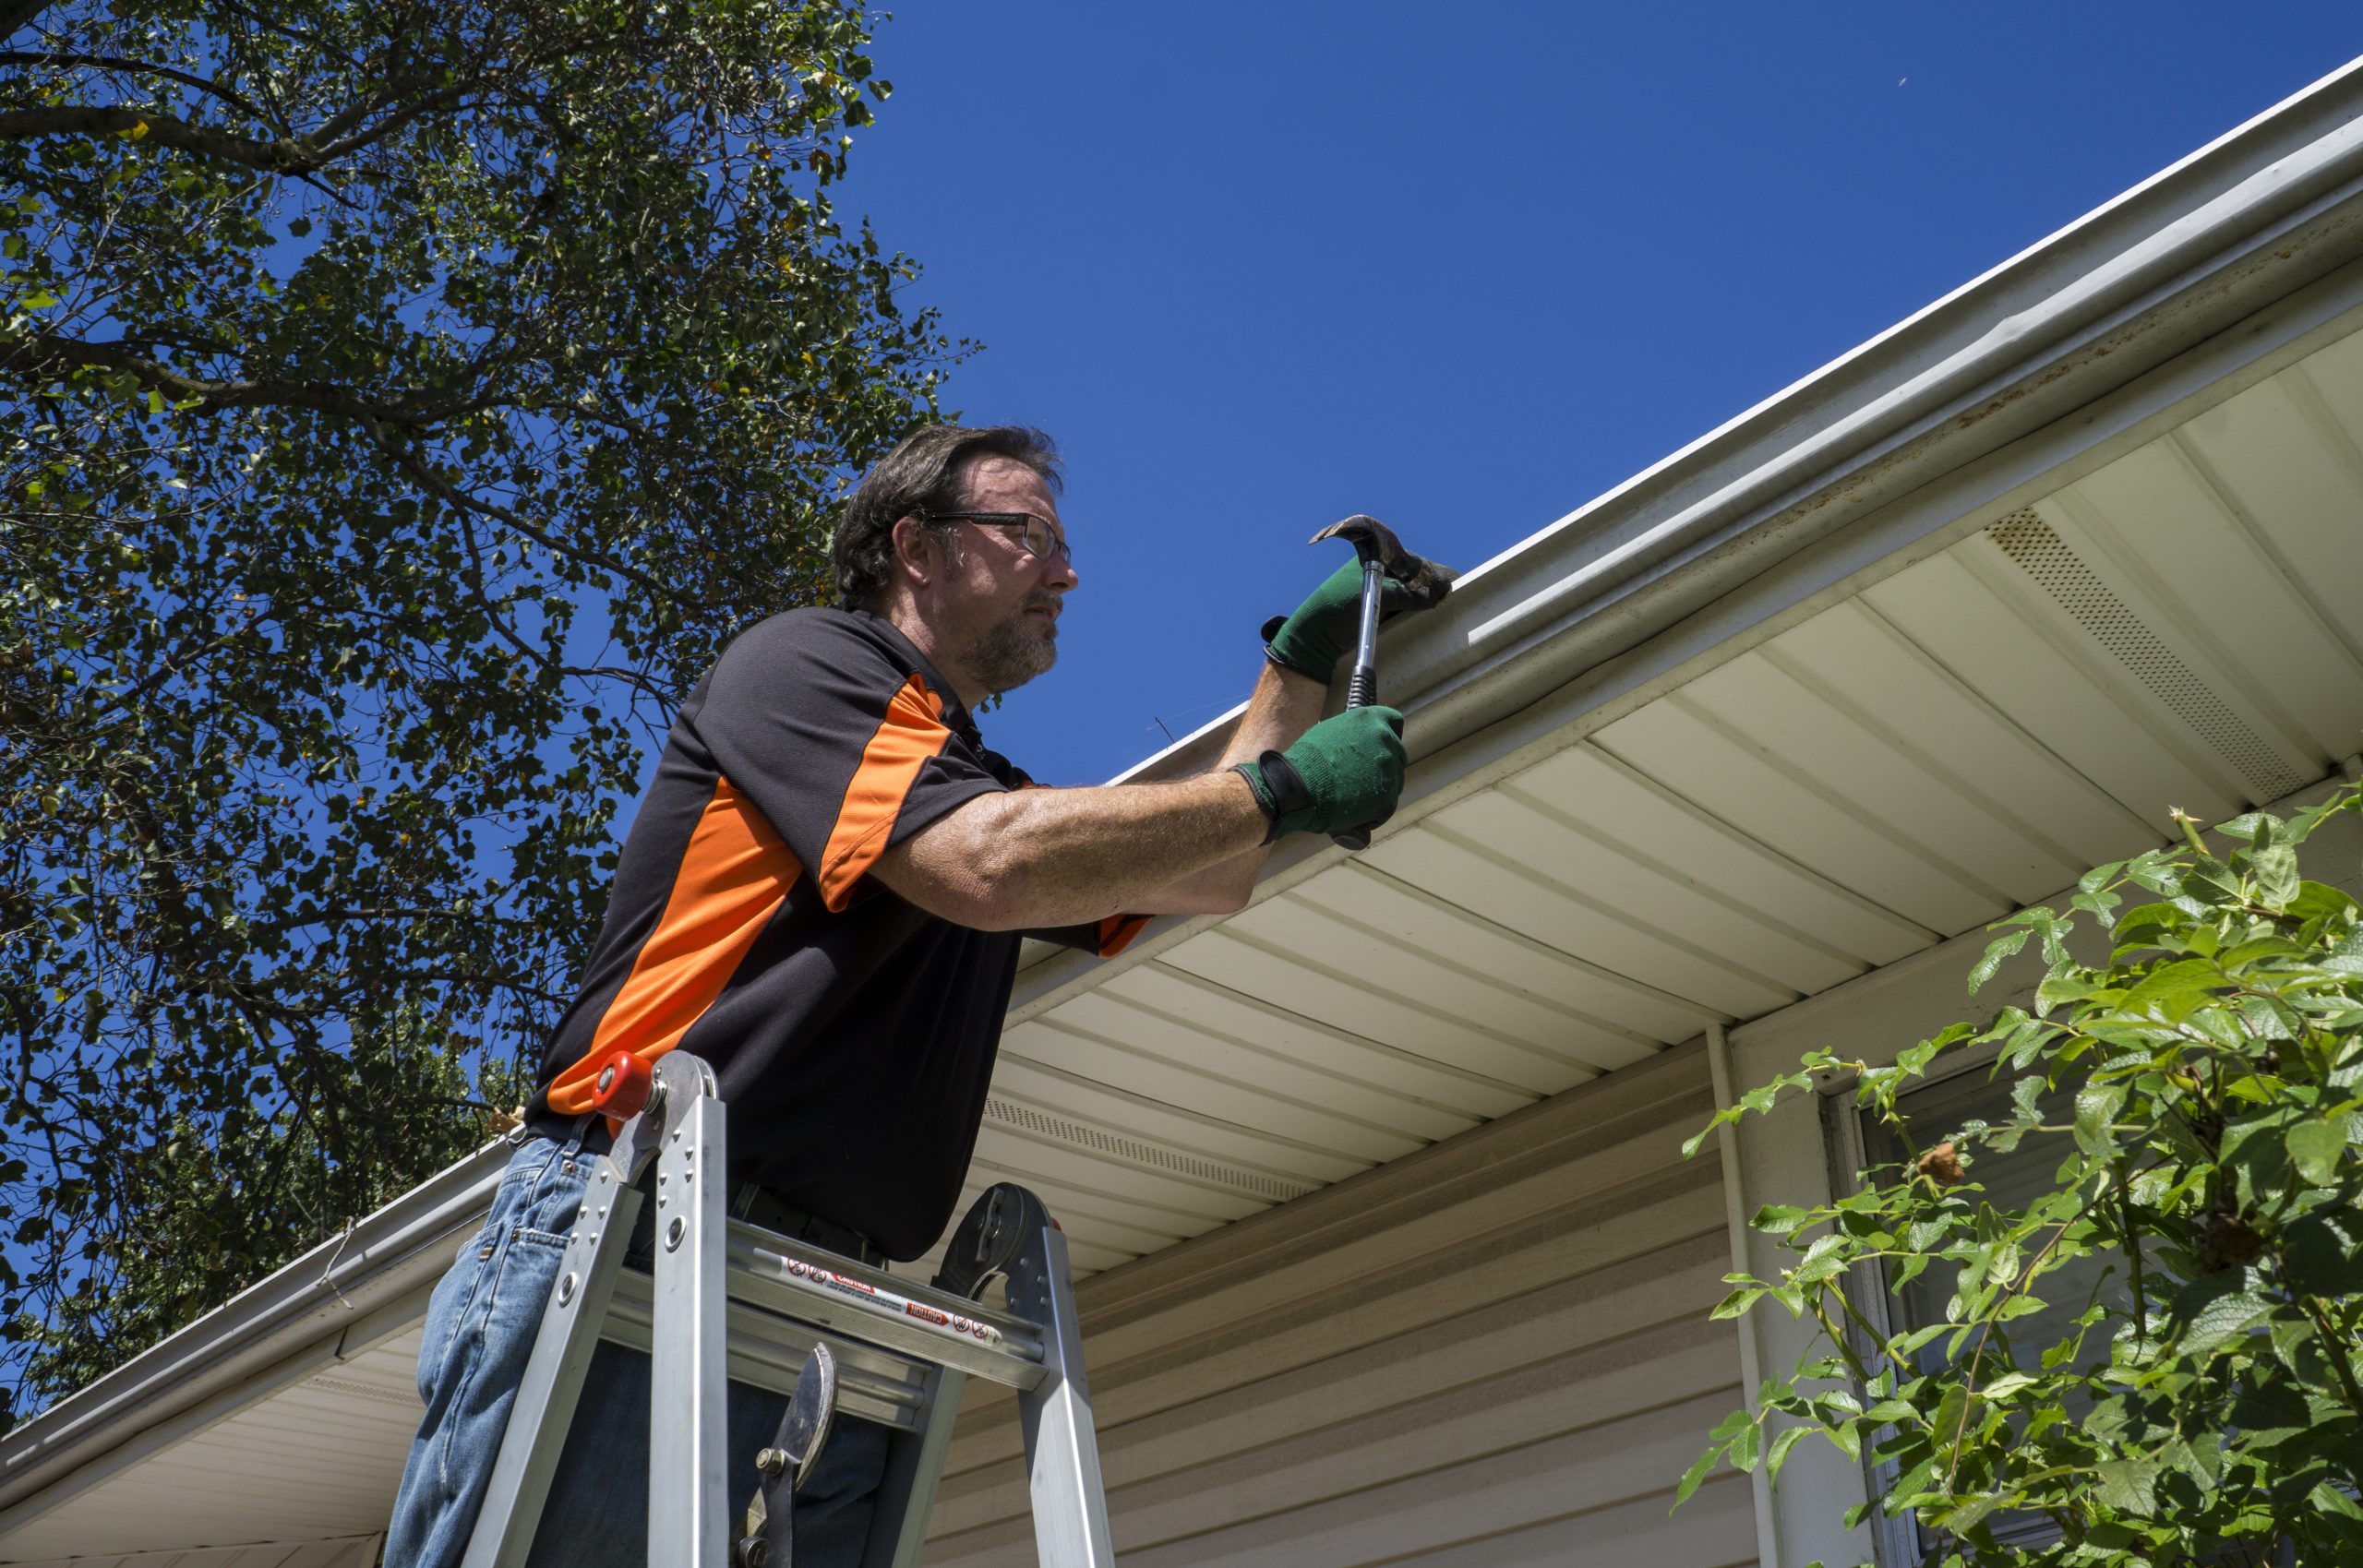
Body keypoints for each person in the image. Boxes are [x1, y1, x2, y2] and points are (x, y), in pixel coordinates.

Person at [385, 425, 1421, 1567]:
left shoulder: (962, 782)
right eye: (1030, 535)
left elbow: (1207, 868)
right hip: (636, 1226)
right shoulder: (803, 665)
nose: (1066, 573)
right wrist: (1286, 785)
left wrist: (1294, 671)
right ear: (915, 547)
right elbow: (989, 863)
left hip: (819, 1298)